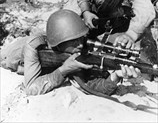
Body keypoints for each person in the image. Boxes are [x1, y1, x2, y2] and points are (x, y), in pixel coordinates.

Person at [1, 9, 141, 96]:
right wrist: (63, 70)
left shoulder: (79, 49)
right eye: (74, 41)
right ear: (59, 43)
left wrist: (116, 75)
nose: (81, 44)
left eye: (82, 38)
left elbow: (92, 85)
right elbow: (31, 89)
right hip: (7, 56)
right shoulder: (34, 46)